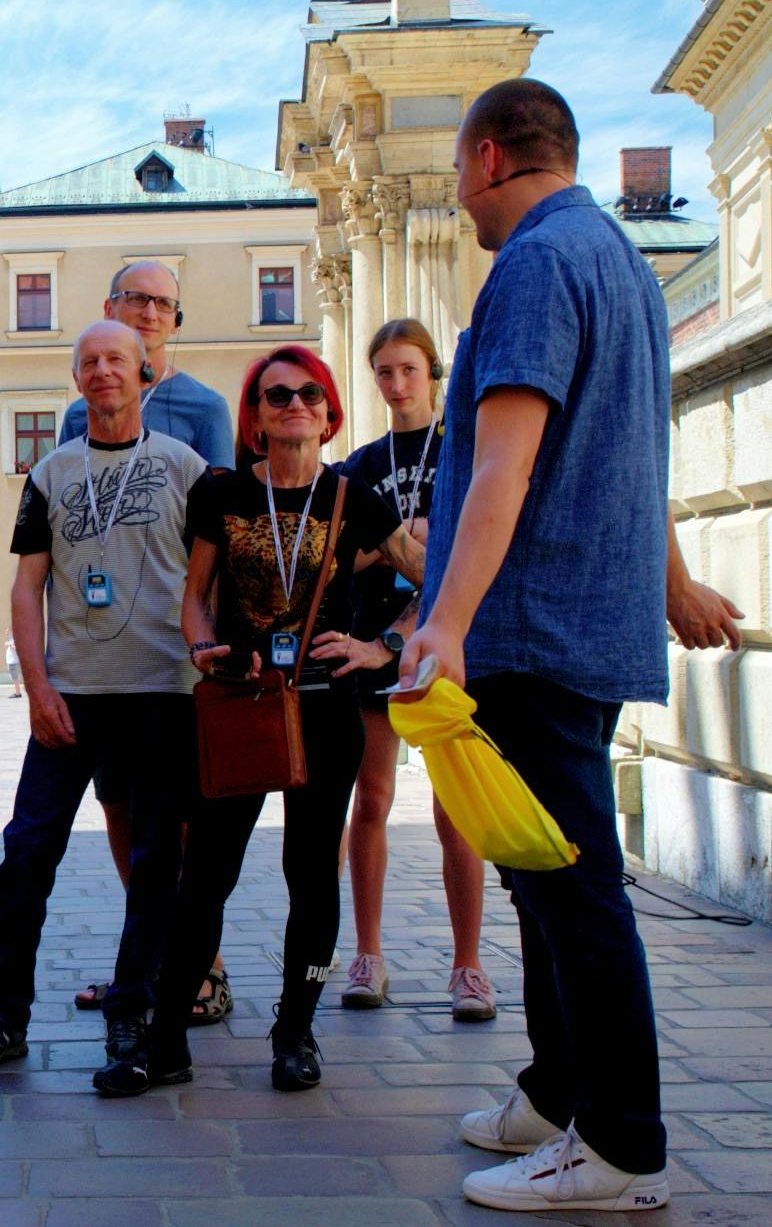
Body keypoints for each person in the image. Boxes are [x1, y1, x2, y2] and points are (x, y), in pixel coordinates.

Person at [399, 79, 680, 1212]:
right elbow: (637, 455)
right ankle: (559, 1092)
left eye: (460, 175)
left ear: (483, 157)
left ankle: (620, 1146)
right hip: (589, 619)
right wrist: (674, 583)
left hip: (533, 624)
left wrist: (446, 622)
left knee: (573, 887)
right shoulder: (623, 262)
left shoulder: (530, 263)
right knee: (540, 873)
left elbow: (506, 463)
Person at [145, 345, 425, 1096]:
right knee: (206, 875)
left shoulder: (354, 497)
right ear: (256, 416)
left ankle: (296, 1029)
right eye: (276, 396)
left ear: (330, 414)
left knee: (312, 877)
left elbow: (435, 582)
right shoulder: (223, 493)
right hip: (241, 699)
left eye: (308, 394)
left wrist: (383, 645)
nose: (293, 404)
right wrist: (199, 640)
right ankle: (165, 1037)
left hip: (329, 707)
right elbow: (197, 592)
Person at [0, 320, 208, 1097]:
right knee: (25, 854)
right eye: (89, 362)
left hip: (164, 692)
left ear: (144, 374)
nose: (103, 373)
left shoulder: (185, 467)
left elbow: (209, 582)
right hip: (73, 697)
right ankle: (6, 1016)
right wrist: (37, 684)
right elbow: (26, 589)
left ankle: (132, 1011)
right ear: (77, 377)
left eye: (116, 361)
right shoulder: (52, 474)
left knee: (157, 863)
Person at [59, 259, 239, 1022]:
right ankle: (148, 957)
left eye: (166, 304)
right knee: (121, 808)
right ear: (111, 306)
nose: (153, 312)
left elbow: (226, 524)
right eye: (139, 299)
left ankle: (205, 966)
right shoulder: (76, 415)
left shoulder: (201, 406)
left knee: (184, 817)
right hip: (103, 652)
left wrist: (216, 638)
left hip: (176, 646)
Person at [338, 318, 494, 1020]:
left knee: (454, 809)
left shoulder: (463, 450)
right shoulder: (362, 464)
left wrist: (411, 545)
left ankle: (467, 963)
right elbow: (338, 555)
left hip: (446, 645)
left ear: (432, 373)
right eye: (383, 372)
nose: (396, 384)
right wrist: (397, 544)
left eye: (407, 369)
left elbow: (478, 541)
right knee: (370, 799)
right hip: (371, 643)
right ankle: (366, 952)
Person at [3, 629, 22, 698]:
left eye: (7, 631)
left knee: (15, 677)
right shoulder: (11, 639)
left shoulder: (13, 639)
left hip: (13, 661)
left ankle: (18, 693)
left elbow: (16, 648)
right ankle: (17, 692)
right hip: (11, 661)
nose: (6, 632)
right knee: (14, 677)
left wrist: (9, 644)